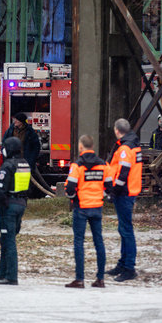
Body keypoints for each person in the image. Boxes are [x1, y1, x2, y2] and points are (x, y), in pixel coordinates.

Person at [64, 135, 113, 289]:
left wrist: (74, 198)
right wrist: (101, 196)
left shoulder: (77, 166)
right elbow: (109, 187)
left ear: (80, 147)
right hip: (97, 207)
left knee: (79, 242)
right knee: (99, 242)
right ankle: (100, 279)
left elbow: (70, 188)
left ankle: (79, 279)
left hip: (81, 207)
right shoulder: (103, 165)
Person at [0, 137, 30, 285]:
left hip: (9, 206)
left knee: (8, 241)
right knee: (5, 239)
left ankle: (10, 276)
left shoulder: (7, 166)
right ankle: (2, 273)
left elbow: (0, 191)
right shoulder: (25, 164)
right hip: (21, 204)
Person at [105, 118, 143, 281]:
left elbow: (123, 172)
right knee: (124, 229)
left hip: (124, 193)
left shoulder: (125, 148)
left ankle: (129, 268)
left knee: (126, 230)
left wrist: (113, 191)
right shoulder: (133, 144)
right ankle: (123, 263)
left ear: (117, 130)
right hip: (129, 191)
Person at [2, 112, 54, 195]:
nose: (15, 122)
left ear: (22, 122)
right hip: (11, 161)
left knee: (23, 181)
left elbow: (36, 146)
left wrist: (31, 161)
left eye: (17, 120)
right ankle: (12, 195)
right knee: (11, 179)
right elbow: (4, 142)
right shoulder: (11, 130)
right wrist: (5, 155)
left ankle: (22, 195)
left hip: (24, 161)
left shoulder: (30, 132)